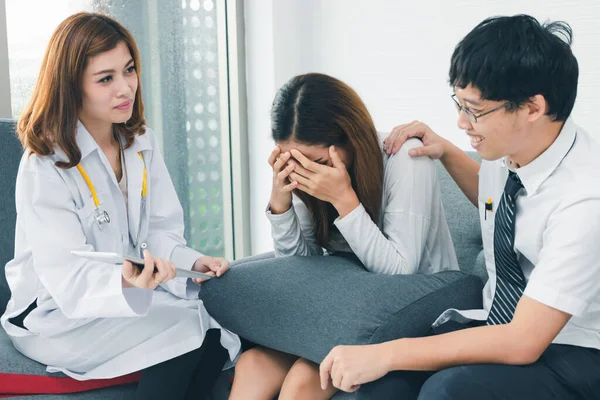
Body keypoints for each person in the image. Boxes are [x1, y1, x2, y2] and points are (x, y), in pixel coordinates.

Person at [318, 15, 600, 400]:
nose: (461, 122)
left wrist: (389, 352)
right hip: (499, 325)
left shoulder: (586, 199)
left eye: (475, 110)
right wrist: (447, 152)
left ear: (533, 107)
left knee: (448, 391)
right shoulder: (514, 153)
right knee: (381, 388)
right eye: (459, 104)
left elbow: (523, 342)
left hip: (574, 351)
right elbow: (505, 204)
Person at [0, 12, 240, 400]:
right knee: (186, 333)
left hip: (128, 296)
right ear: (71, 87)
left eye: (129, 70)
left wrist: (192, 262)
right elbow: (67, 275)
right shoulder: (44, 163)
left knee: (213, 332)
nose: (125, 88)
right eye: (106, 78)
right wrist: (129, 280)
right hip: (56, 314)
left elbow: (158, 232)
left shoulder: (141, 141)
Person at [229, 73, 460, 399]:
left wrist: (344, 200)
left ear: (350, 141)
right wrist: (281, 206)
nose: (308, 171)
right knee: (252, 364)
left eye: (318, 162)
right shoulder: (306, 169)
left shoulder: (404, 158)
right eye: (295, 162)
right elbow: (300, 270)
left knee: (304, 378)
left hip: (409, 305)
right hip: (342, 309)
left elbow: (398, 272)